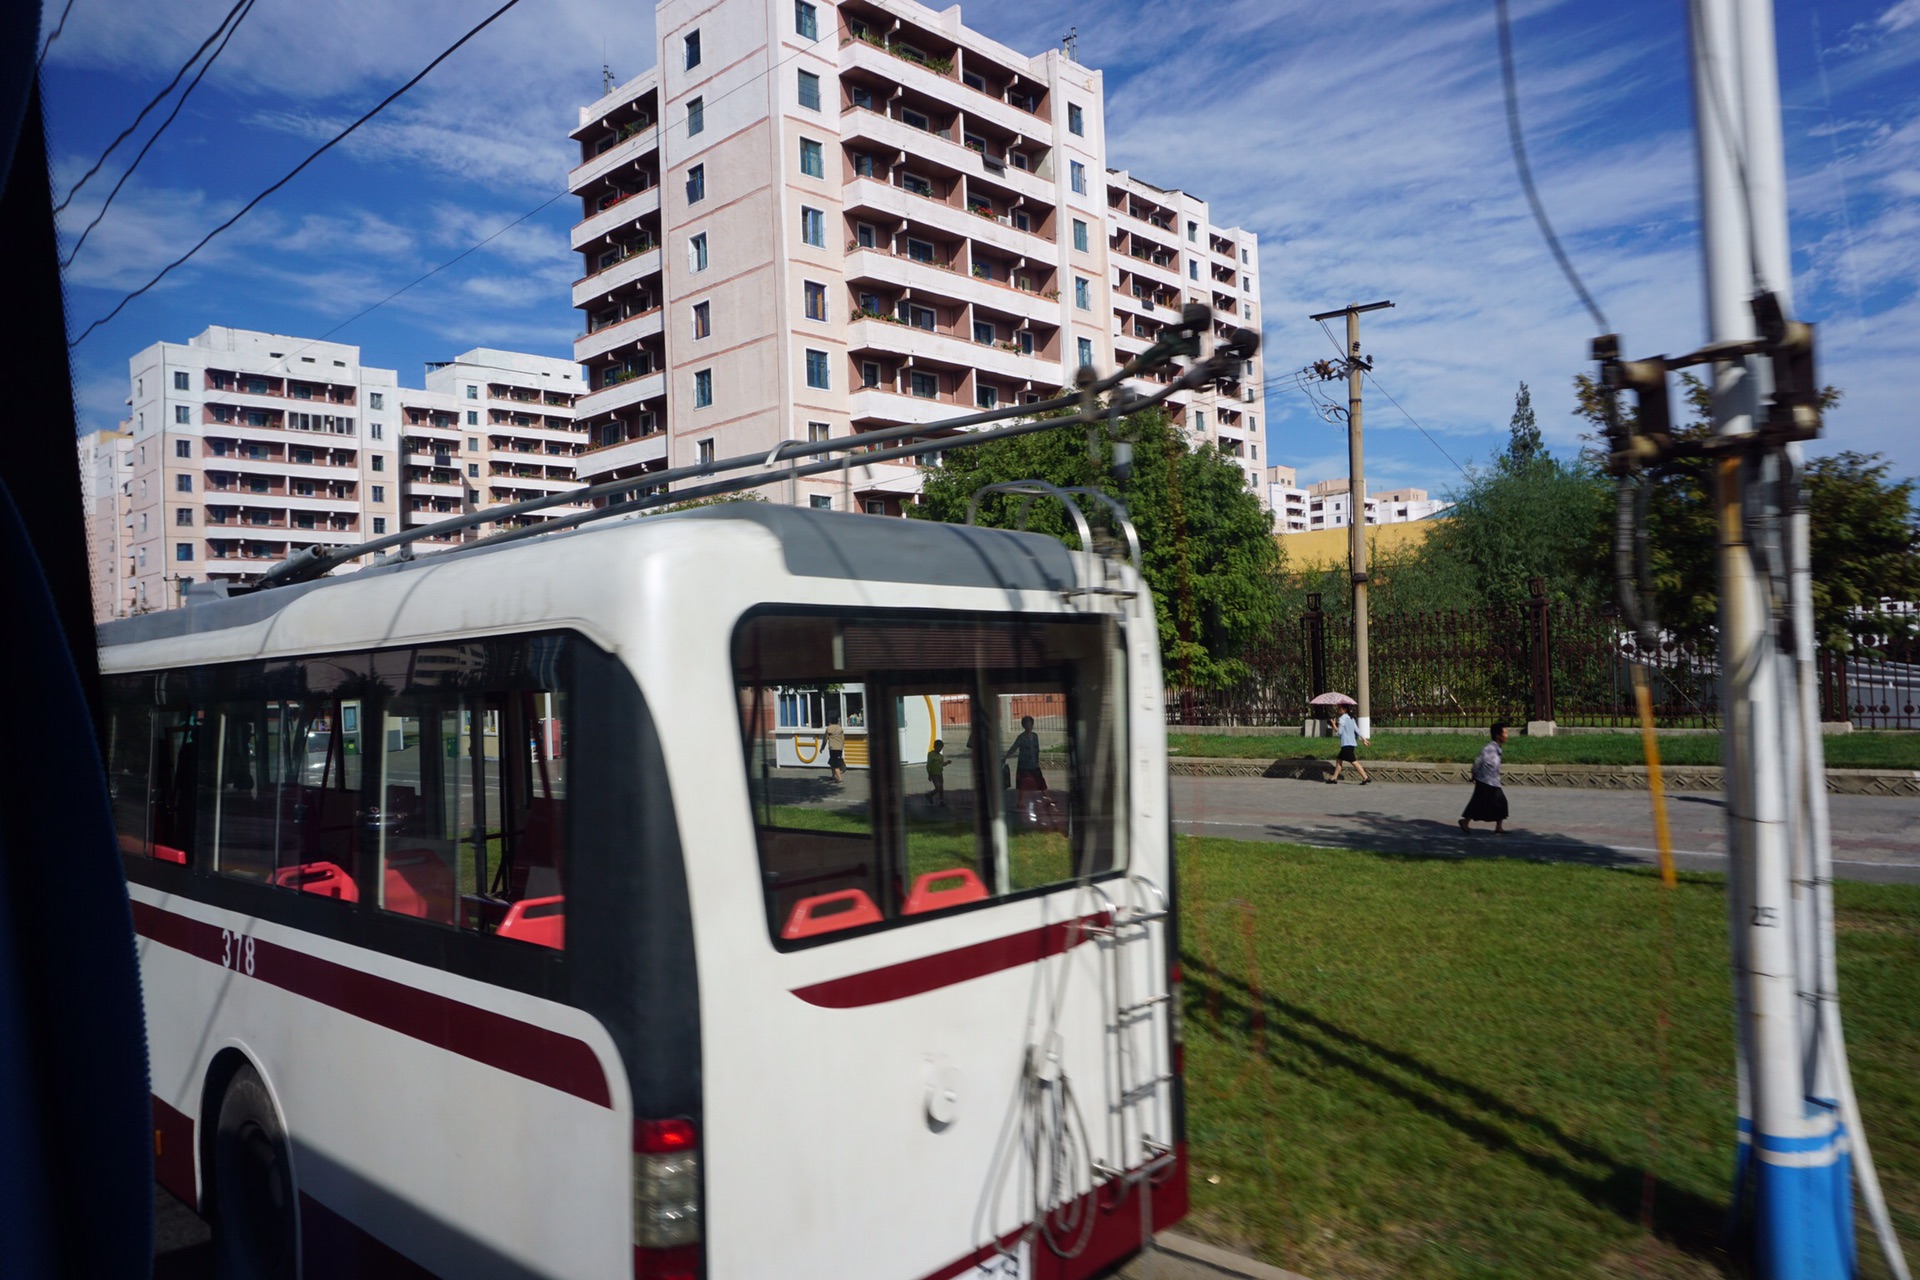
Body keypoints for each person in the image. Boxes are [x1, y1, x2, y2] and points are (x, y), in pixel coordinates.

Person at [1459, 722, 1510, 835]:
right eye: (1505, 732)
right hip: (1485, 781)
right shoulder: (1489, 748)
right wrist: (1474, 774)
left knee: (1499, 802)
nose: (1507, 735)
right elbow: (1478, 762)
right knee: (1478, 803)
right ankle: (1465, 822)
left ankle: (1498, 827)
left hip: (1493, 781)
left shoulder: (1498, 748)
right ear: (1498, 735)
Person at [1004, 715, 1045, 823]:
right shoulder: (1021, 737)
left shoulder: (1035, 736)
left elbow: (1037, 749)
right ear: (1023, 725)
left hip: (1034, 764)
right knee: (1022, 785)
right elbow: (1014, 747)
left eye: (1030, 723)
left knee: (1040, 781)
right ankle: (1019, 802)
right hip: (1024, 764)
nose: (1029, 726)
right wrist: (1006, 756)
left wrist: (1037, 760)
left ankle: (1046, 798)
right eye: (1026, 724)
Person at [1327, 706, 1371, 785]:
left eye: (1340, 708)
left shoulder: (1342, 719)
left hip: (1346, 744)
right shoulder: (1351, 718)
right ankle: (1334, 777)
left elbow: (1340, 733)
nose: (1338, 709)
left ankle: (1366, 777)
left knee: (1353, 761)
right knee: (1339, 760)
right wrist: (1364, 739)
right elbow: (1357, 729)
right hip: (1352, 743)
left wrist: (1334, 726)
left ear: (1345, 709)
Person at [824, 712, 846, 784]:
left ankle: (839, 779)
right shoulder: (840, 729)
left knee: (835, 764)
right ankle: (833, 776)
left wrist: (822, 747)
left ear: (830, 721)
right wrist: (842, 747)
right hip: (839, 748)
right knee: (832, 762)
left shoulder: (829, 728)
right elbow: (843, 739)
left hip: (832, 748)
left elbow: (825, 739)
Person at [926, 738, 947, 807]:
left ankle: (941, 801)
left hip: (940, 773)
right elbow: (929, 764)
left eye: (941, 748)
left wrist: (946, 763)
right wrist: (929, 774)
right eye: (938, 747)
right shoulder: (931, 755)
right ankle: (930, 795)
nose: (939, 749)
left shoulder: (940, 756)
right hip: (934, 774)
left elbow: (941, 764)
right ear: (934, 747)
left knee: (941, 788)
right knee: (938, 787)